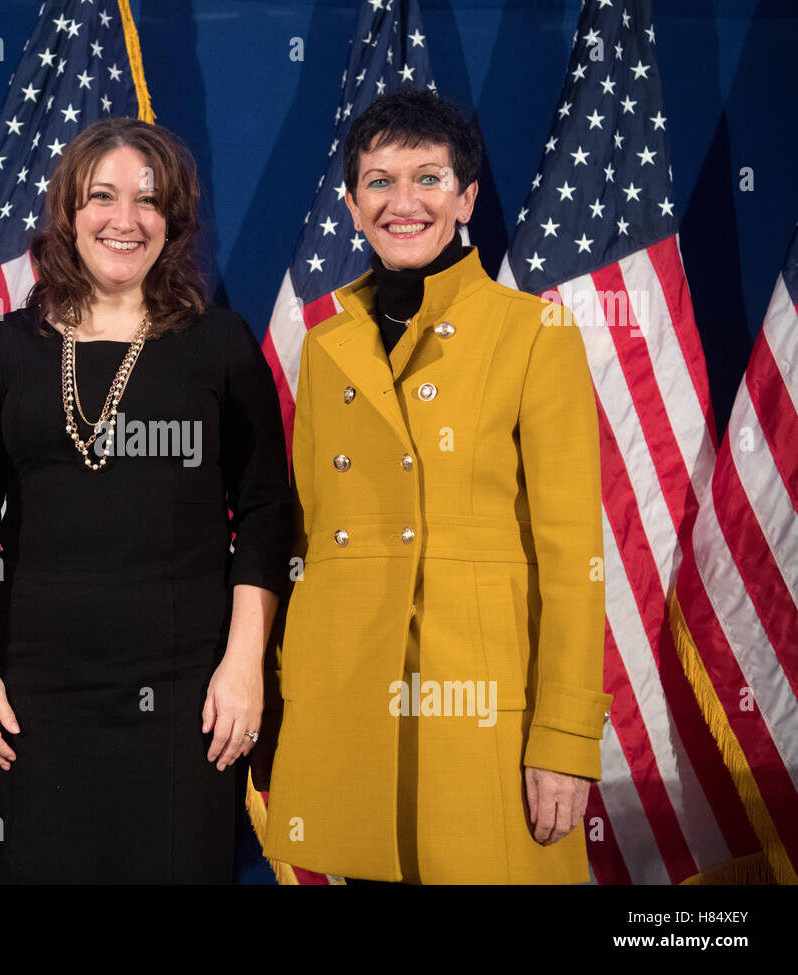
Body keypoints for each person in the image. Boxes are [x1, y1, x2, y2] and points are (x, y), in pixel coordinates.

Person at [262, 89, 612, 884]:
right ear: (352, 205)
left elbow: (572, 560)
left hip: (479, 719)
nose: (404, 202)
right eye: (379, 182)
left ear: (468, 198)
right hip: (349, 705)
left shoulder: (533, 334)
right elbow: (309, 543)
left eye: (428, 177)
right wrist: (290, 707)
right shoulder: (324, 347)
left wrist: (563, 739)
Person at [0, 117, 293, 884]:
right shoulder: (8, 351)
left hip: (182, 698)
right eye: (102, 196)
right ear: (68, 212)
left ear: (175, 221)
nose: (124, 219)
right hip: (31, 699)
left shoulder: (220, 345)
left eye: (149, 200)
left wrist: (244, 663)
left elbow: (267, 509)